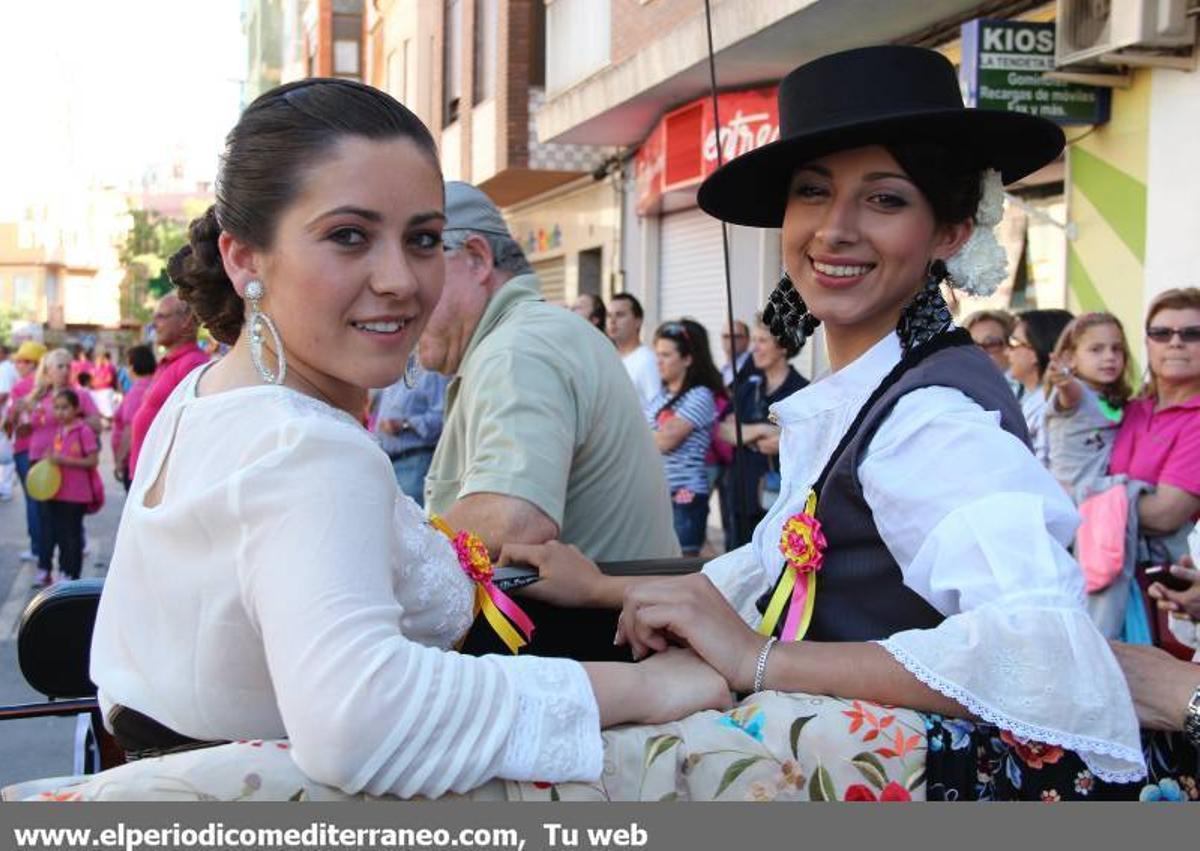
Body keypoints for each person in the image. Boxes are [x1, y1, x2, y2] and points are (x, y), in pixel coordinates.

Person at [512, 45, 1150, 796]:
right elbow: (776, 569)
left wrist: (760, 660)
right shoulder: (871, 391)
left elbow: (1043, 650)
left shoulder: (930, 417)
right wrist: (602, 590)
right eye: (813, 192)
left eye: (884, 199)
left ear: (948, 232)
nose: (835, 228)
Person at [90, 79, 725, 800]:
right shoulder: (307, 445)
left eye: (422, 240)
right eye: (348, 236)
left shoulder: (199, 401)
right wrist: (642, 687)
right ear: (244, 259)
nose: (399, 280)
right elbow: (360, 719)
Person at [419, 181, 678, 561]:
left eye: (418, 260)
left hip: (596, 621)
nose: (398, 288)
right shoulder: (531, 335)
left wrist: (400, 552)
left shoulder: (515, 349)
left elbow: (514, 517)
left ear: (476, 258)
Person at [719, 315, 808, 549]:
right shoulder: (748, 387)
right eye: (754, 341)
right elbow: (725, 431)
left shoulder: (802, 392)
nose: (754, 348)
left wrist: (782, 439)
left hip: (779, 505)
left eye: (762, 341)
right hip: (740, 496)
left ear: (783, 347)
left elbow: (808, 441)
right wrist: (762, 429)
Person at [20, 348, 101, 587]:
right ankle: (44, 567)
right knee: (45, 519)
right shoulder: (37, 396)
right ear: (47, 370)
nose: (65, 371)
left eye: (68, 366)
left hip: (69, 468)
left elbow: (96, 424)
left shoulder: (79, 396)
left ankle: (69, 571)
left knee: (68, 522)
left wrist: (72, 417)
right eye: (60, 366)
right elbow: (25, 428)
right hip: (40, 462)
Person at [646, 319, 724, 556]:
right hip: (658, 494)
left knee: (682, 566)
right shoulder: (660, 398)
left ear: (688, 359)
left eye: (666, 355)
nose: (658, 361)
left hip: (684, 495)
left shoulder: (699, 395)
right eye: (657, 354)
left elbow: (666, 440)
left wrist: (640, 436)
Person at [1042, 312, 1132, 500]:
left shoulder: (1109, 397)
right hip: (1072, 497)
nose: (1109, 357)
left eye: (1117, 349)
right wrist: (1064, 381)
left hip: (1099, 496)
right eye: (1096, 349)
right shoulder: (1077, 392)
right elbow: (1071, 395)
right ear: (1070, 358)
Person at [127, 292, 211, 478]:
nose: (154, 324)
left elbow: (192, 430)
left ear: (187, 320)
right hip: (147, 473)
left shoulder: (192, 363)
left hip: (162, 477)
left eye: (161, 316)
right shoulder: (169, 362)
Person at [42, 389, 100, 582]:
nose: (60, 412)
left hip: (77, 495)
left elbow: (92, 460)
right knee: (60, 534)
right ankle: (64, 571)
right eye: (56, 408)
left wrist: (64, 461)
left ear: (76, 409)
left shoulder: (83, 431)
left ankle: (73, 575)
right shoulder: (59, 431)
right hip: (58, 493)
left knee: (73, 536)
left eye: (65, 407)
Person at [372, 369, 449, 507]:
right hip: (387, 466)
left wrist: (405, 425)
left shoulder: (433, 372)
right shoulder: (394, 373)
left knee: (412, 525)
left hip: (415, 464)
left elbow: (442, 418)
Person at [1008, 308, 1074, 466]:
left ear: (1035, 350)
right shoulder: (1033, 398)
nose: (1006, 351)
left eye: (1014, 342)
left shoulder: (1054, 401)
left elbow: (1042, 465)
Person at [5, 341, 47, 560]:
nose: (19, 365)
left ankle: (37, 548)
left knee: (32, 501)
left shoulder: (21, 387)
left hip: (24, 450)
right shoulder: (50, 387)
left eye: (25, 361)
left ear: (36, 363)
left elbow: (10, 422)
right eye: (18, 360)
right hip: (48, 450)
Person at [111, 344, 156, 491]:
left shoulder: (137, 392)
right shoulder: (155, 385)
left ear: (132, 365)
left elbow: (130, 430)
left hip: (134, 461)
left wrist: (119, 459)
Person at [606, 292, 660, 407]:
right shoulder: (607, 359)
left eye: (620, 315)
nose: (612, 321)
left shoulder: (647, 361)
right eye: (609, 315)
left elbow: (657, 409)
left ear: (638, 321)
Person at [719, 319, 752, 387]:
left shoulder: (755, 365)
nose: (730, 340)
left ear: (748, 339)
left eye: (737, 336)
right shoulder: (723, 369)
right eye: (726, 336)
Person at [89, 348, 118, 421]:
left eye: (101, 359)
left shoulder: (108, 368)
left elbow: (109, 379)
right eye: (97, 359)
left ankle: (109, 420)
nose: (99, 360)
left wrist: (98, 382)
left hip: (106, 391)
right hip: (96, 391)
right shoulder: (93, 369)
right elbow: (91, 380)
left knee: (108, 409)